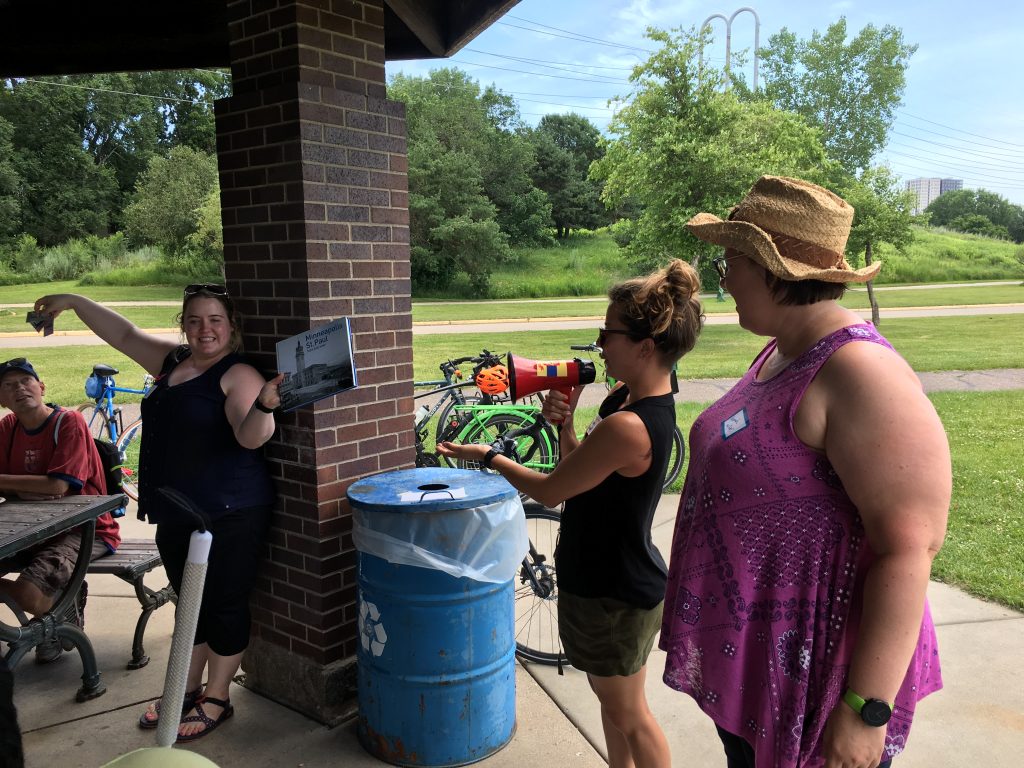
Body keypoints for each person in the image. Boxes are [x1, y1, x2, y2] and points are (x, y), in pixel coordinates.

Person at [660, 176, 950, 768]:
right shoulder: (781, 348)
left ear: (777, 272)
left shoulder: (860, 371)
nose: (723, 280)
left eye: (731, 263)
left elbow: (910, 549)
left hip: (819, 679)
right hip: (760, 664)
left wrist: (866, 711)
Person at [438, 260, 704, 768]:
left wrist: (488, 456)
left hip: (613, 593)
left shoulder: (630, 424)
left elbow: (553, 492)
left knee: (632, 716)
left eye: (609, 333)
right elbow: (583, 479)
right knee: (615, 704)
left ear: (646, 346)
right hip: (614, 583)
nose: (600, 344)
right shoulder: (631, 401)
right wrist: (564, 427)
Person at [33, 285, 282, 743]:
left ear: (232, 327)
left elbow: (250, 437)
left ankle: (218, 696)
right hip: (178, 510)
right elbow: (124, 335)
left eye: (215, 320)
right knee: (190, 604)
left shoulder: (238, 374)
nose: (205, 329)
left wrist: (265, 405)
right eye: (194, 320)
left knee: (223, 604)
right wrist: (73, 300)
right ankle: (185, 687)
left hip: (229, 510)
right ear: (183, 325)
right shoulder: (173, 363)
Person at [0, 357, 120, 664]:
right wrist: (29, 487)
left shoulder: (68, 422)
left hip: (85, 528)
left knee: (28, 594)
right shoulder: (8, 428)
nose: (20, 389)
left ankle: (59, 619)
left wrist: (19, 486)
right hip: (28, 528)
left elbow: (58, 487)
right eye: (9, 385)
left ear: (41, 387)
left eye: (26, 381)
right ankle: (59, 608)